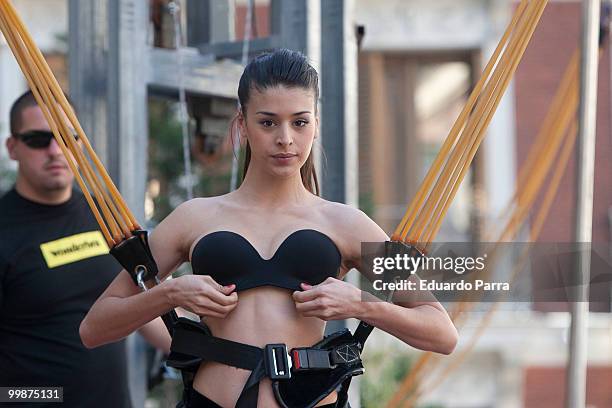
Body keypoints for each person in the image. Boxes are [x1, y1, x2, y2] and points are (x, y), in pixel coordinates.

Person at [80, 49, 458, 408]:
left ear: (315, 123)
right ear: (242, 123)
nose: (285, 139)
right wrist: (171, 294)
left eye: (299, 122)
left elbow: (441, 331)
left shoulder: (345, 222)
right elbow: (95, 327)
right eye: (267, 122)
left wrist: (359, 305)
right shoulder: (194, 218)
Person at [0, 91, 171, 407]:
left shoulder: (107, 215)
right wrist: (44, 398)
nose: (55, 150)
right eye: (39, 139)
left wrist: (210, 350)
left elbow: (142, 306)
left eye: (66, 137)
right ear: (13, 148)